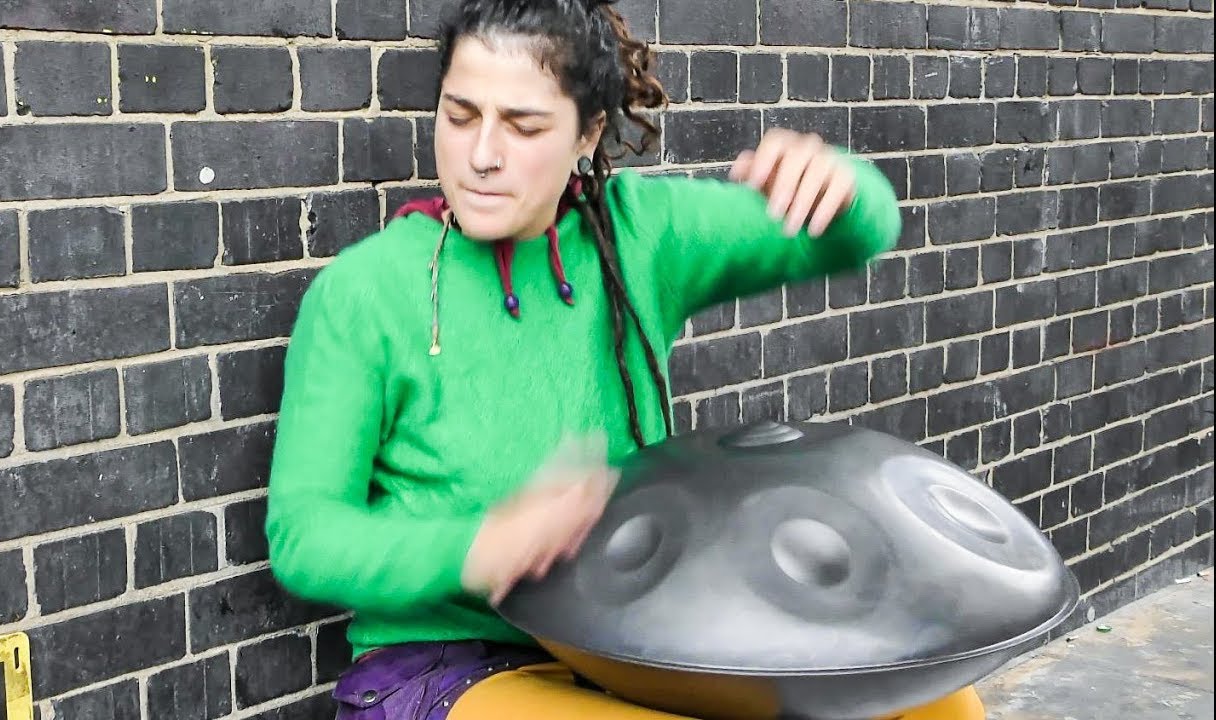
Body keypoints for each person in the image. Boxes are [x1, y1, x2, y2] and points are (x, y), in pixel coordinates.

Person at [265, 1, 985, 718]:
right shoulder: (364, 291)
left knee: (942, 709)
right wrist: (479, 548)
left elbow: (858, 232)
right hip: (448, 662)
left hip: (628, 642)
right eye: (459, 116)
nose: (482, 153)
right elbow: (304, 537)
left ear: (590, 133)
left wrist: (839, 184)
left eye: (524, 125)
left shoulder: (637, 236)